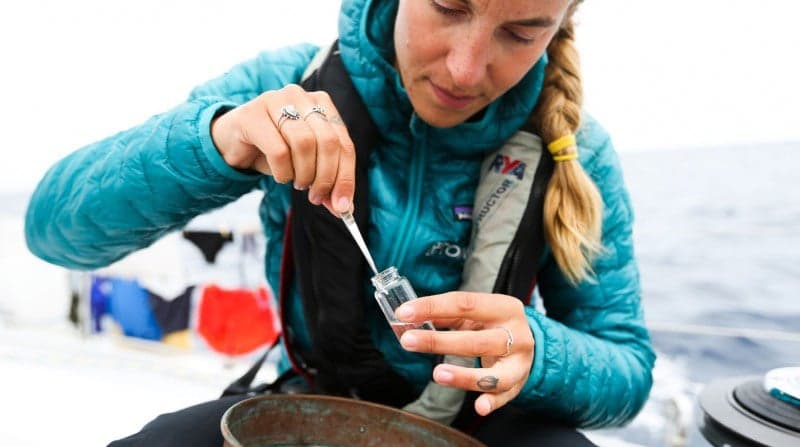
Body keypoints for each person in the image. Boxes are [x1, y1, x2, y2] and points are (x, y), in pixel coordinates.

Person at [25, 0, 656, 445]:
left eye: (520, 34)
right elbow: (55, 231)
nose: (465, 70)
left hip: (484, 423)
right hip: (313, 402)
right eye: (447, 5)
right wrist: (218, 140)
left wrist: (542, 353)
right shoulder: (288, 87)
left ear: (559, 27)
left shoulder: (575, 150)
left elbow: (625, 368)